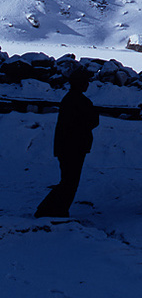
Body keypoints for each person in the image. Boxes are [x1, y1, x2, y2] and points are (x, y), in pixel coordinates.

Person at [34, 64, 99, 218]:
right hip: (74, 147)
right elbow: (92, 121)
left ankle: (51, 209)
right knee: (70, 182)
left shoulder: (70, 99)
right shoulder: (79, 101)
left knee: (67, 180)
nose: (88, 84)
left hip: (68, 147)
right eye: (85, 82)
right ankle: (55, 210)